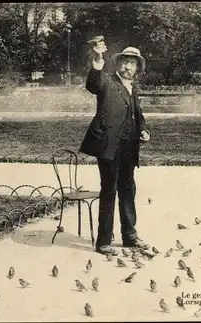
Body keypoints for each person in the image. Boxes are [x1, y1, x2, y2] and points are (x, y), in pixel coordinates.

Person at [79, 37, 151, 255]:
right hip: (109, 147)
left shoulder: (132, 88)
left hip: (129, 148)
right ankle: (103, 242)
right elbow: (93, 84)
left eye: (132, 62)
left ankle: (129, 237)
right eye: (124, 61)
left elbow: (137, 115)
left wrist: (144, 129)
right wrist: (97, 60)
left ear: (137, 68)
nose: (127, 66)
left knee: (128, 190)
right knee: (109, 190)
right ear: (117, 63)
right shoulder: (107, 82)